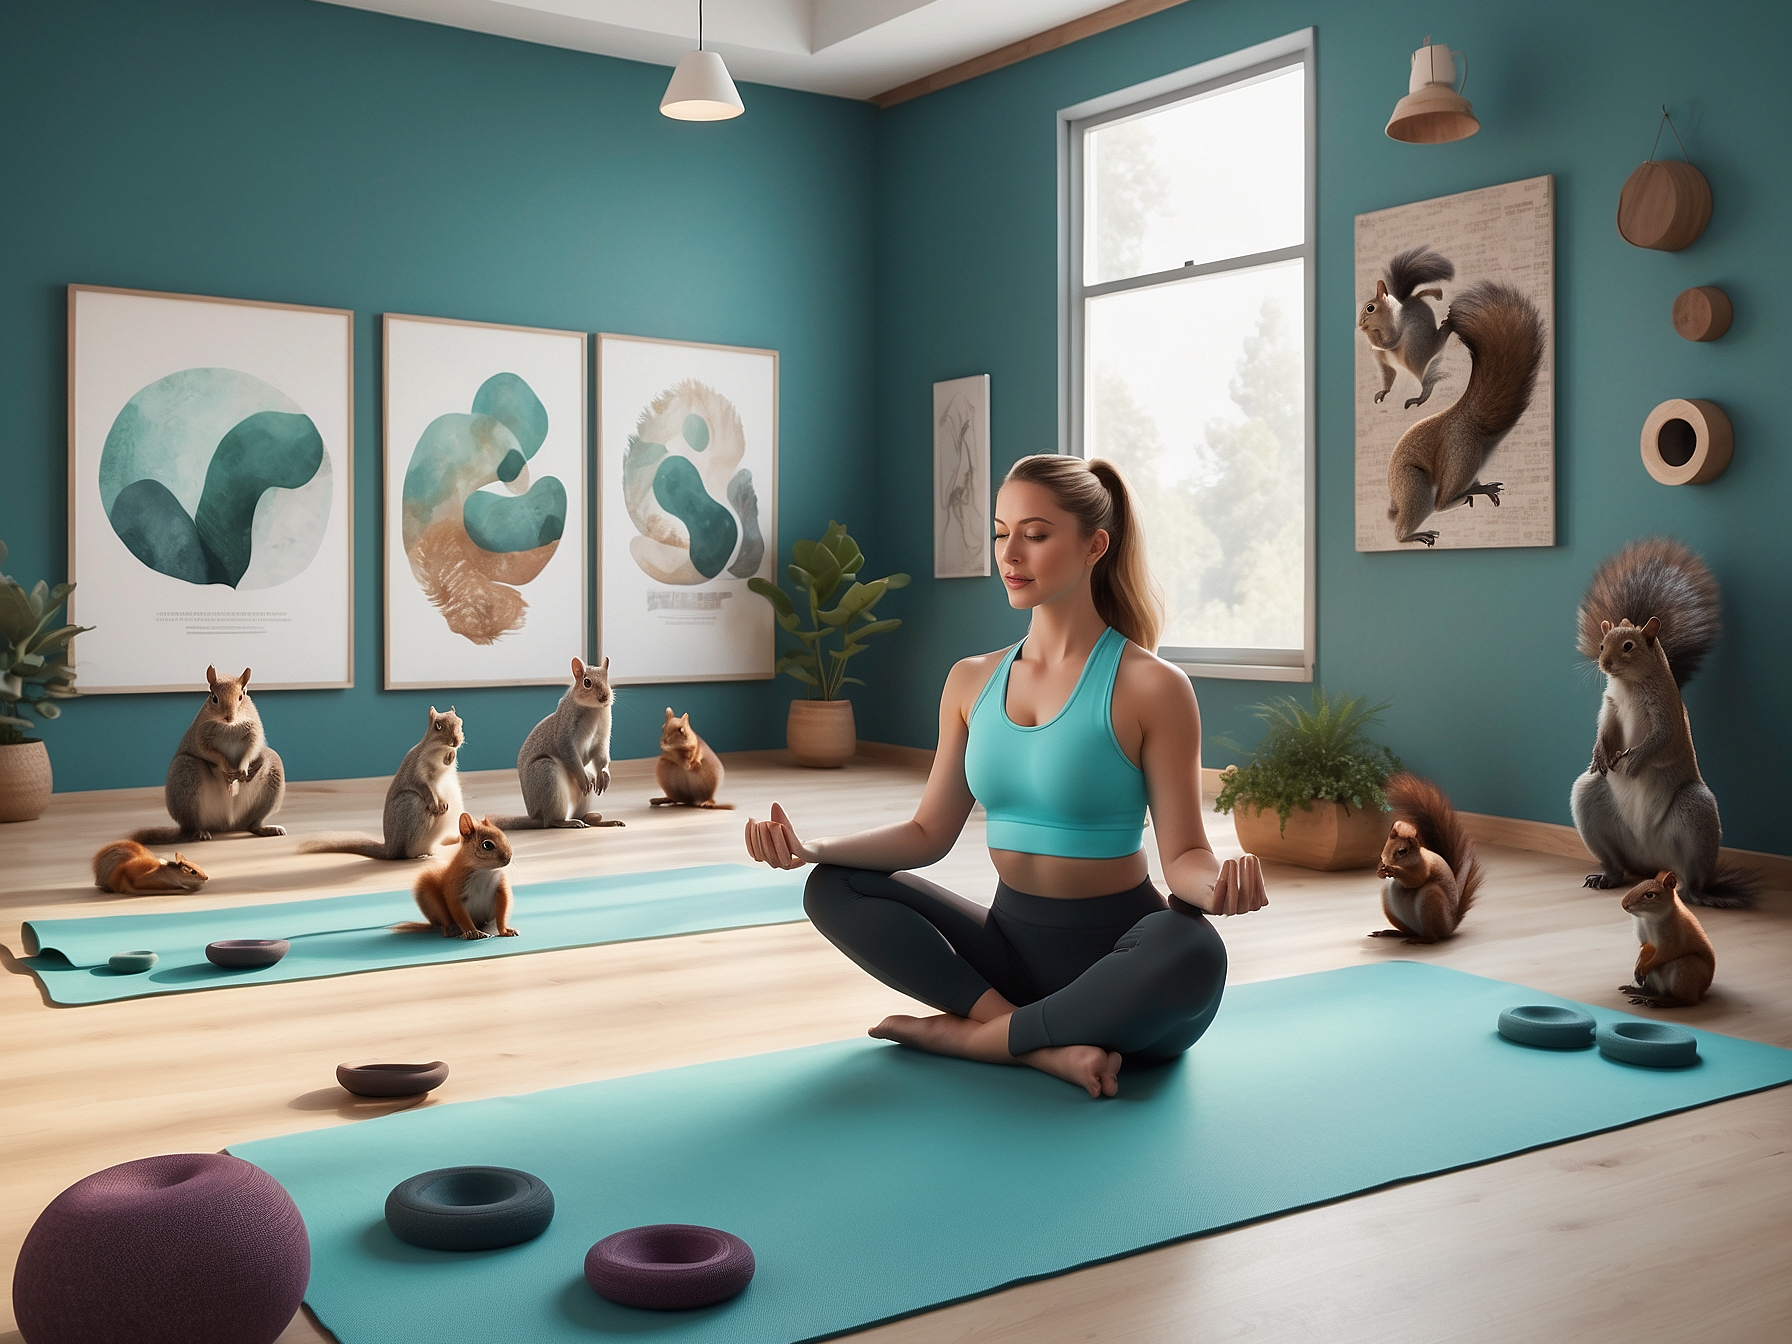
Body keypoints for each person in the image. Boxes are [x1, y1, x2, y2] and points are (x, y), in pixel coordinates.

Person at [744, 454, 1267, 1098]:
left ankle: (972, 1038)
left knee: (1194, 951)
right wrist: (811, 850)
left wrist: (1217, 889)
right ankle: (1033, 1044)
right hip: (1010, 956)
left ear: (1094, 546)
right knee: (833, 888)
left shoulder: (1152, 686)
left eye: (1036, 534)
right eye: (1001, 532)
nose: (1009, 553)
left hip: (1123, 968)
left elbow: (1185, 854)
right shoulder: (971, 680)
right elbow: (927, 832)